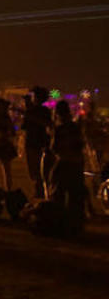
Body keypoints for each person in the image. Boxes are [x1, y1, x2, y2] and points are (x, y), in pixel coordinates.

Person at [50, 99, 86, 234]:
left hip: (65, 162)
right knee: (76, 196)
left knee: (57, 193)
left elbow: (54, 148)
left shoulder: (60, 129)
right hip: (77, 164)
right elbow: (80, 145)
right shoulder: (76, 128)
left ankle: (57, 222)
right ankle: (75, 224)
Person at [21, 87, 52, 198]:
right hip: (40, 143)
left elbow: (24, 127)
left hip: (34, 143)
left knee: (34, 170)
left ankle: (40, 191)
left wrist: (27, 114)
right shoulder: (45, 111)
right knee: (40, 170)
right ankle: (40, 190)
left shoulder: (33, 111)